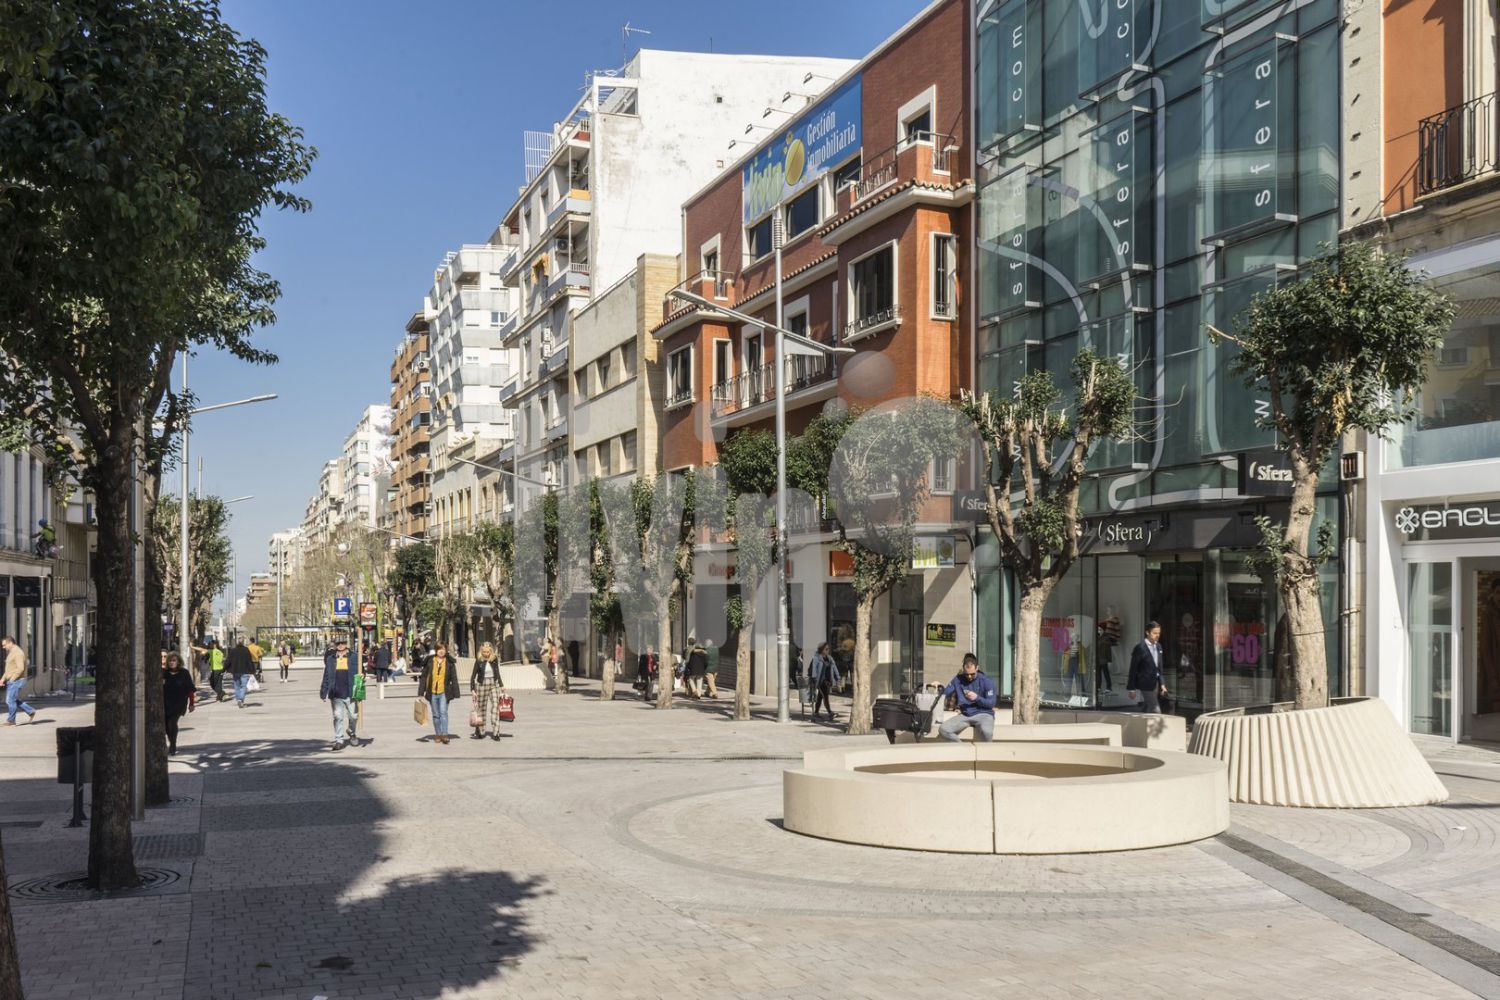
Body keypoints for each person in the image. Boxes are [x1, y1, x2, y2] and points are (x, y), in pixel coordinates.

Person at [937, 653, 997, 742]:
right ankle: (963, 748)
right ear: (963, 669)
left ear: (977, 668)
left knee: (987, 733)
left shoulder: (987, 681)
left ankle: (986, 754)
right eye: (966, 674)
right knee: (943, 729)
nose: (969, 677)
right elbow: (946, 692)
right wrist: (938, 686)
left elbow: (991, 703)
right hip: (965, 715)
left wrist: (977, 698)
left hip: (984, 714)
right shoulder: (958, 679)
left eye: (972, 674)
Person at [418, 641, 462, 744]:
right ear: (436, 650)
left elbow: (454, 678)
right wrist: (421, 691)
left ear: (446, 650)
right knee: (436, 715)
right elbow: (424, 677)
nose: (441, 651)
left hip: (444, 692)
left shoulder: (449, 662)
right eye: (439, 649)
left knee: (443, 712)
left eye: (443, 649)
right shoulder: (430, 661)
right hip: (432, 692)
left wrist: (456, 692)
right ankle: (438, 734)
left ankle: (445, 734)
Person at [320, 637, 357, 751]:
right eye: (338, 643)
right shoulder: (331, 659)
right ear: (335, 645)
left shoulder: (354, 657)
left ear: (347, 643)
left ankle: (351, 731)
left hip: (351, 693)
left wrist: (363, 678)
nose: (341, 645)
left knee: (353, 716)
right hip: (335, 693)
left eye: (343, 643)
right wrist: (324, 691)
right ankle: (339, 740)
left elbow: (361, 671)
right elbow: (326, 675)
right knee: (338, 717)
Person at [1127, 620, 1168, 714]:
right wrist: (1131, 689)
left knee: (1148, 707)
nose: (1157, 635)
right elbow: (1133, 669)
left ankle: (1141, 726)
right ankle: (1159, 727)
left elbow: (1159, 667)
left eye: (1159, 633)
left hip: (1156, 683)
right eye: (1154, 633)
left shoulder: (1159, 646)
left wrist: (1162, 684)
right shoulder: (1140, 648)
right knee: (1155, 708)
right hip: (1145, 683)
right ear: (1147, 632)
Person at [470, 641, 505, 741]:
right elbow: (473, 676)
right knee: (482, 709)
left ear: (491, 651)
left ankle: (496, 732)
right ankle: (481, 730)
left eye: (488, 652)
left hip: (494, 684)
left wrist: (502, 685)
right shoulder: (479, 660)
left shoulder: (494, 659)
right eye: (484, 652)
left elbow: (497, 673)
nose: (486, 654)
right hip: (481, 684)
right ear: (481, 651)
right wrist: (473, 689)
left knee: (495, 707)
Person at [162, 651, 195, 755]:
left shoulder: (184, 673)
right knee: (166, 726)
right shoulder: (164, 673)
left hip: (179, 703)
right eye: (170, 661)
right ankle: (172, 741)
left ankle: (173, 745)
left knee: (172, 723)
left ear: (178, 661)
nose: (172, 663)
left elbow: (190, 689)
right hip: (166, 703)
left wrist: (191, 703)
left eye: (174, 660)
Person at [0, 637, 37, 726]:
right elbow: (9, 669)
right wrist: (2, 679)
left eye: (4, 645)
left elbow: (21, 668)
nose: (3, 647)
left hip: (17, 680)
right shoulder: (11, 653)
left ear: (10, 643)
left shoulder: (18, 653)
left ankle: (11, 721)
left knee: (9, 700)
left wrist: (12, 679)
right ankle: (30, 711)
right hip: (12, 680)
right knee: (13, 700)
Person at [807, 642, 840, 722]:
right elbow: (814, 669)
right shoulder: (816, 658)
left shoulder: (829, 658)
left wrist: (837, 677)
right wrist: (814, 679)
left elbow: (834, 667)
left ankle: (816, 713)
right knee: (825, 696)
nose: (828, 650)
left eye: (828, 649)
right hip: (820, 681)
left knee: (820, 697)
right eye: (826, 649)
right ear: (821, 650)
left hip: (828, 681)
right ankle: (830, 712)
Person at [226, 638, 255, 709]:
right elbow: (249, 661)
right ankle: (240, 699)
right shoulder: (246, 650)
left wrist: (224, 669)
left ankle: (239, 699)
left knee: (237, 686)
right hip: (245, 671)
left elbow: (228, 660)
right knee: (244, 686)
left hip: (235, 671)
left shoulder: (233, 650)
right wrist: (252, 670)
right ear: (243, 643)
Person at [684, 635, 707, 699]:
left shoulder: (691, 652)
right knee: (699, 682)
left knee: (691, 679)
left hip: (693, 669)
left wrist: (689, 667)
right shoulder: (703, 653)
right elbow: (705, 662)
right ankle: (698, 695)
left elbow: (689, 661)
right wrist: (704, 668)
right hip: (701, 670)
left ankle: (694, 691)